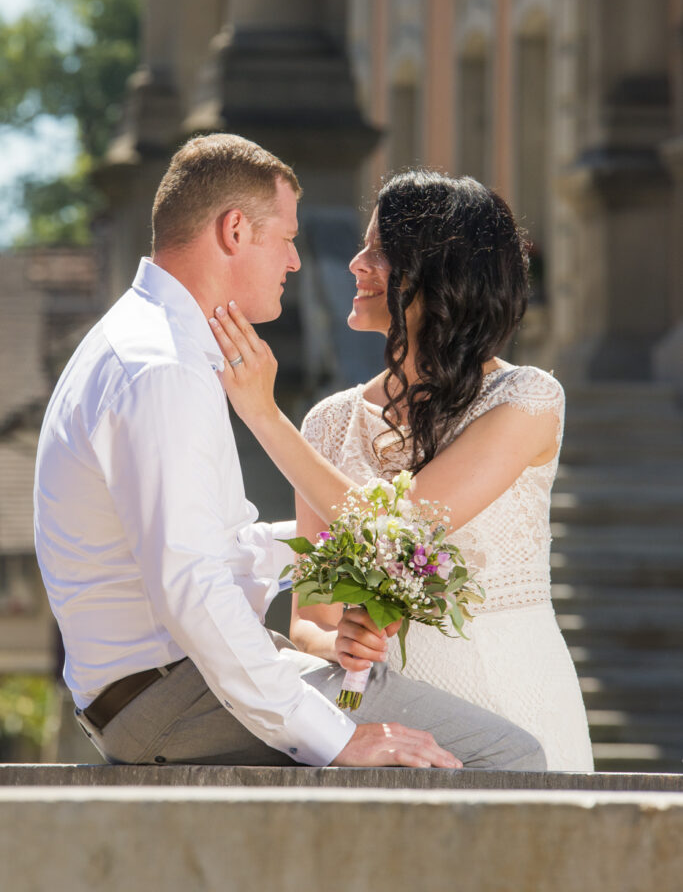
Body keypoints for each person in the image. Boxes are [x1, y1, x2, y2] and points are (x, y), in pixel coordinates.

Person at [33, 134, 545, 771]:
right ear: (236, 230)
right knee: (510, 757)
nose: (299, 262)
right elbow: (192, 587)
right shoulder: (161, 368)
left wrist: (325, 547)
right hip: (168, 694)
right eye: (286, 237)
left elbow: (212, 549)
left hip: (157, 688)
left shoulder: (145, 344)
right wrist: (339, 739)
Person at [210, 169, 593, 772]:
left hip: (511, 695)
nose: (356, 264)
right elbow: (309, 620)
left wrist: (263, 415)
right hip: (387, 726)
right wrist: (339, 643)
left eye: (382, 253)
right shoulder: (329, 425)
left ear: (444, 272)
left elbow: (401, 529)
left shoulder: (528, 400)